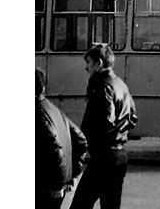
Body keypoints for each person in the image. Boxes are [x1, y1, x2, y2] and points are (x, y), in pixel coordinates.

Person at [70, 44, 138, 209]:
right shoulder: (120, 84)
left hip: (103, 157)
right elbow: (133, 118)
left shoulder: (102, 86)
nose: (87, 67)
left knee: (80, 204)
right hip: (119, 156)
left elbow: (104, 120)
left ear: (99, 63)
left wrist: (87, 141)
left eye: (89, 63)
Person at [36, 68, 87, 209]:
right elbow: (80, 140)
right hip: (57, 185)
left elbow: (54, 149)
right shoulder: (53, 109)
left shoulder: (37, 113)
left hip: (45, 186)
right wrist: (73, 175)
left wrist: (56, 184)